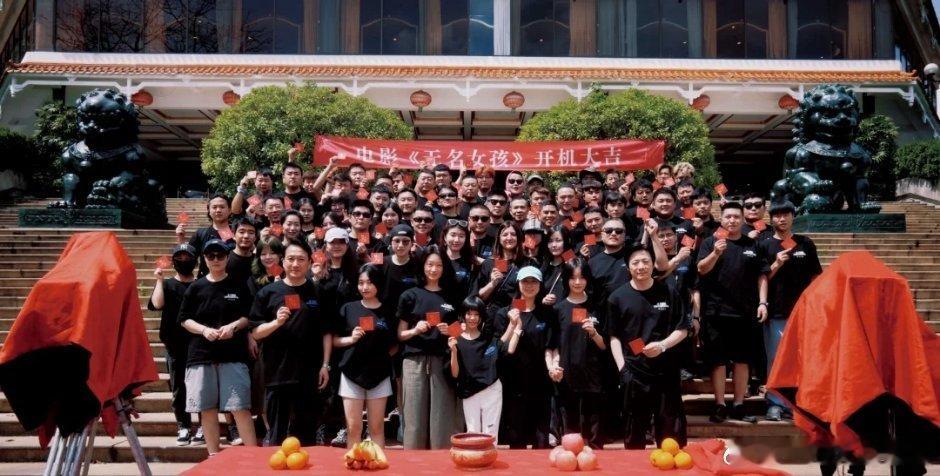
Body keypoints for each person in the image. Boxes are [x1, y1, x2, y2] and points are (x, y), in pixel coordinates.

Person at [178, 239, 258, 455]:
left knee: (240, 407)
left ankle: (253, 456)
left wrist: (233, 326)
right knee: (207, 409)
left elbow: (248, 316)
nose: (215, 260)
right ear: (204, 259)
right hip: (201, 355)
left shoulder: (238, 285)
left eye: (220, 255)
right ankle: (213, 455)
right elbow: (184, 319)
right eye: (210, 256)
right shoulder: (195, 287)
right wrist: (204, 330)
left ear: (227, 257)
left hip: (233, 355)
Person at [250, 239, 332, 446]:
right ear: (282, 261)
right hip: (277, 372)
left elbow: (326, 332)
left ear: (309, 262)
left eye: (301, 259)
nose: (295, 264)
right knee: (277, 436)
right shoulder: (268, 293)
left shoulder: (319, 292)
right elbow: (256, 333)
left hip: (309, 373)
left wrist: (325, 365)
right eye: (291, 259)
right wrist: (276, 323)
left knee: (306, 436)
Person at [608, 244, 690, 449]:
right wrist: (622, 369)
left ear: (653, 264)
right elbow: (614, 337)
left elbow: (683, 329)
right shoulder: (617, 297)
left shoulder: (669, 292)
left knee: (670, 430)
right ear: (628, 267)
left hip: (666, 370)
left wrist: (662, 345)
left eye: (645, 261)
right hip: (634, 371)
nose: (641, 266)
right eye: (635, 262)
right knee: (634, 430)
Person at [696, 202, 769, 423]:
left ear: (742, 219)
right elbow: (701, 269)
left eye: (736, 217)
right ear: (722, 219)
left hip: (745, 312)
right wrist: (716, 253)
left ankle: (738, 404)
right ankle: (719, 404)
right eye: (728, 217)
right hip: (716, 312)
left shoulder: (752, 244)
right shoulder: (711, 242)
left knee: (742, 360)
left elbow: (762, 275)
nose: (732, 220)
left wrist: (763, 302)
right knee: (718, 361)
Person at [758, 201, 822, 421]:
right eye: (777, 215)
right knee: (776, 358)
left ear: (793, 217)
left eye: (786, 215)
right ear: (771, 219)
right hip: (777, 311)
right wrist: (776, 264)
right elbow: (761, 278)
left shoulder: (805, 243)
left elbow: (816, 276)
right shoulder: (765, 245)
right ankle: (775, 402)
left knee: (803, 358)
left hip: (804, 312)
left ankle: (800, 402)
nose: (782, 219)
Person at [396, 250, 462, 449]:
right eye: (430, 264)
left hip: (442, 360)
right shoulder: (410, 295)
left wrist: (449, 330)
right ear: (423, 267)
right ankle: (413, 460)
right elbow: (400, 334)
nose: (434, 269)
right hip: (413, 361)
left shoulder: (452, 295)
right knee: (413, 414)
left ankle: (441, 459)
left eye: (439, 265)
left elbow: (460, 331)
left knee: (442, 416)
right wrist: (415, 330)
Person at [492, 266, 556, 449]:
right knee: (516, 438)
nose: (529, 285)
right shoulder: (504, 313)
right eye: (525, 281)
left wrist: (553, 366)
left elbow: (550, 346)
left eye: (533, 281)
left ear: (540, 285)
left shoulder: (546, 313)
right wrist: (512, 325)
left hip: (540, 383)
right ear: (518, 284)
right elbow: (499, 348)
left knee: (541, 440)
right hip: (513, 383)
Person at [334, 264, 396, 448]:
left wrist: (380, 357)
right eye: (361, 283)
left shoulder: (389, 311)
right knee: (353, 428)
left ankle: (378, 461)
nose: (365, 287)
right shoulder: (348, 308)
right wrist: (351, 339)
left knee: (376, 428)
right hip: (351, 374)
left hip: (379, 375)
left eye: (369, 282)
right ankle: (353, 460)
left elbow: (395, 344)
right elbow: (335, 340)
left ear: (378, 283)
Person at [548, 258, 606, 449]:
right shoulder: (558, 309)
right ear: (566, 280)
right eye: (573, 278)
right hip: (567, 376)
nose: (578, 282)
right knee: (570, 432)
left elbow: (605, 345)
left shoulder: (597, 306)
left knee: (594, 430)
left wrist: (594, 333)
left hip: (593, 375)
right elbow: (553, 345)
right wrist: (554, 366)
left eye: (582, 277)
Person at [449, 296, 521, 441]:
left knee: (491, 434)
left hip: (492, 390)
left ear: (481, 317)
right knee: (472, 433)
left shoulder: (488, 338)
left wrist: (514, 325)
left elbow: (503, 344)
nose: (472, 318)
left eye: (476, 314)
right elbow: (455, 374)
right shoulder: (456, 340)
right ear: (463, 315)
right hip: (469, 392)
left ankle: (490, 456)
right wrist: (453, 352)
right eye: (469, 314)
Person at [148, 243, 198, 446]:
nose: (184, 261)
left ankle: (203, 425)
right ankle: (183, 425)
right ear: (174, 261)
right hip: (174, 344)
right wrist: (159, 280)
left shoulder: (201, 284)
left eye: (188, 257)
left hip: (198, 343)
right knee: (179, 387)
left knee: (201, 386)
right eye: (180, 257)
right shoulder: (167, 284)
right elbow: (157, 304)